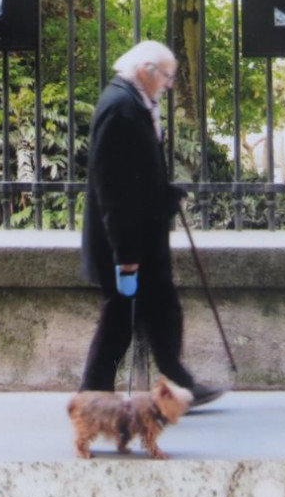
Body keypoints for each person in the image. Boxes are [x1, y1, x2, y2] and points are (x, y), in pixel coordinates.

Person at [79, 41, 224, 408]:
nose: (171, 84)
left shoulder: (133, 101)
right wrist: (126, 256)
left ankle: (178, 385)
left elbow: (138, 175)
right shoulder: (120, 107)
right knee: (119, 322)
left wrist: (164, 193)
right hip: (128, 244)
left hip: (143, 238)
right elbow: (112, 190)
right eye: (169, 76)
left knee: (161, 312)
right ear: (147, 69)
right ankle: (92, 396)